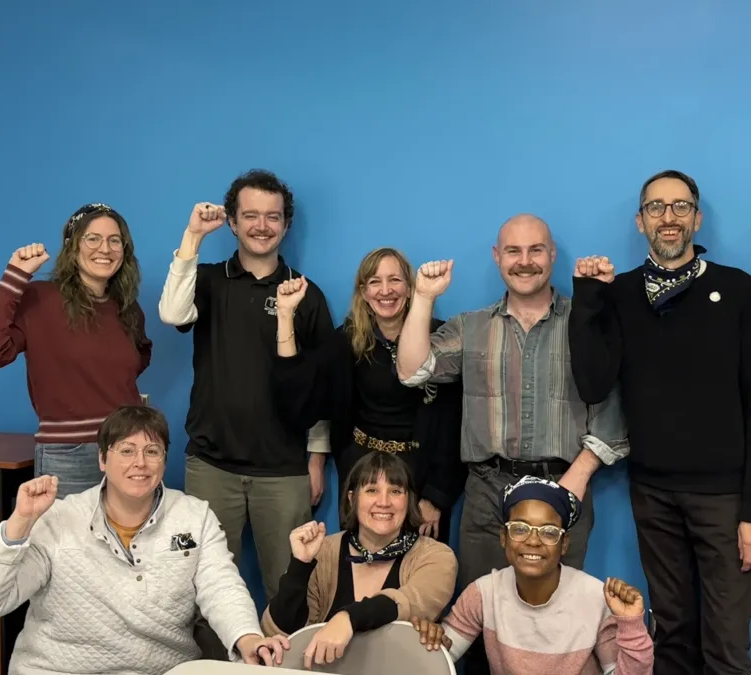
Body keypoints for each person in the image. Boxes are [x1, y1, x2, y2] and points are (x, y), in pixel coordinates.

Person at [396, 214, 628, 674]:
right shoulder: (472, 326)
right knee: (481, 625)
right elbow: (412, 370)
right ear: (497, 258)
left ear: (552, 255)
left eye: (535, 250)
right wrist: (422, 297)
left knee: (562, 625)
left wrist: (575, 479)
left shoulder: (587, 322)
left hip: (564, 490)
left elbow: (616, 406)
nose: (525, 262)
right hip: (487, 495)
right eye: (514, 252)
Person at [568, 169, 751, 675]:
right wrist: (587, 299)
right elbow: (593, 384)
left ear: (697, 219)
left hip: (726, 500)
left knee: (727, 644)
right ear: (640, 221)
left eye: (680, 207)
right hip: (654, 493)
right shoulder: (619, 292)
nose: (669, 217)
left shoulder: (737, 288)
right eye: (656, 207)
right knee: (673, 634)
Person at [0, 405, 290, 675]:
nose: (140, 463)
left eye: (152, 451)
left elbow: (221, 587)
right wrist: (19, 522)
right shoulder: (58, 518)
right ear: (103, 459)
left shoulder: (195, 517)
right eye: (127, 450)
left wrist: (247, 637)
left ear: (164, 460)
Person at [158, 169, 334, 602]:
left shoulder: (305, 294)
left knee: (292, 593)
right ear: (232, 223)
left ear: (286, 224)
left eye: (273, 216)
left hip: (285, 471)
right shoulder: (209, 281)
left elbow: (321, 387)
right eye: (250, 215)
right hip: (212, 467)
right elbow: (172, 314)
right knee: (207, 594)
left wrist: (315, 462)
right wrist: (192, 238)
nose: (262, 225)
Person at [271, 246, 464, 542]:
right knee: (359, 572)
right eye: (374, 281)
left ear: (411, 288)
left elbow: (455, 423)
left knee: (421, 575)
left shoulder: (440, 337)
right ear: (363, 291)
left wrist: (436, 496)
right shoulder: (346, 340)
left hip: (422, 479)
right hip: (362, 472)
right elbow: (299, 400)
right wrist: (285, 315)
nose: (385, 290)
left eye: (395, 280)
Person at [0, 203, 152, 498]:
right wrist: (15, 277)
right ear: (72, 247)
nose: (105, 248)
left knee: (130, 543)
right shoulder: (39, 298)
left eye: (115, 240)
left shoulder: (128, 309)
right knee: (69, 545)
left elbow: (136, 360)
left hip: (128, 448)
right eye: (93, 238)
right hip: (68, 454)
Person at [412, 475, 653, 675]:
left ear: (564, 543)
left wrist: (631, 626)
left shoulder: (595, 598)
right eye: (520, 529)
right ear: (504, 538)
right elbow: (438, 660)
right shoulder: (484, 593)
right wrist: (426, 638)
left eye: (548, 532)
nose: (533, 541)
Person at [261, 451, 457, 670]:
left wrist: (349, 618)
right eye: (372, 490)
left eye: (395, 491)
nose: (384, 502)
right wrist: (300, 566)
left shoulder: (436, 556)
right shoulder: (325, 551)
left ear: (408, 500)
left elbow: (411, 601)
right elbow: (279, 635)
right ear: (352, 499)